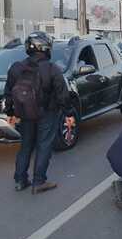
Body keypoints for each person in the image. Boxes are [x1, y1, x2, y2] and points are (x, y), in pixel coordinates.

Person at [5, 32, 75, 194]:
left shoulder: (16, 67)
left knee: (25, 146)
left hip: (25, 114)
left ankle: (20, 181)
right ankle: (39, 182)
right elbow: (62, 94)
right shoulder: (52, 68)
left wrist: (11, 113)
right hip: (47, 114)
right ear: (45, 48)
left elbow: (9, 94)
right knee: (44, 146)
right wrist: (69, 114)